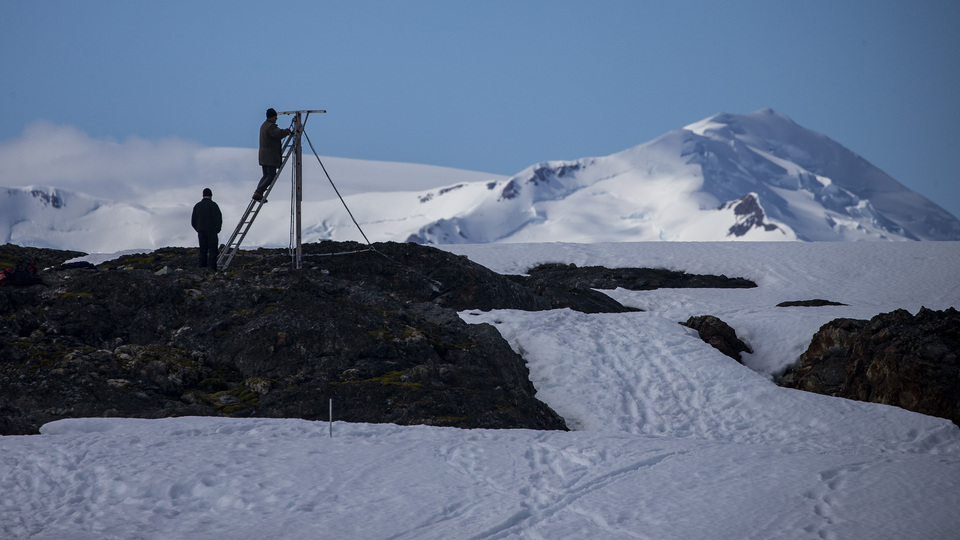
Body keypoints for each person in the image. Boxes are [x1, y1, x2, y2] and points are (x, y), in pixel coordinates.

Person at [253, 108, 293, 201]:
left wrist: (283, 131)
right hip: (270, 156)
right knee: (271, 176)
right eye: (275, 117)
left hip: (263, 156)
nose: (276, 119)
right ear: (273, 117)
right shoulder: (271, 127)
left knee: (265, 175)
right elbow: (277, 134)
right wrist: (286, 132)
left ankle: (258, 192)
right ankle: (259, 192)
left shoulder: (263, 125)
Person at [191, 188, 223, 271]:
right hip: (212, 231)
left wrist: (198, 229)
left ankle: (202, 268)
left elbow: (193, 221)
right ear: (211, 195)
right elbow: (219, 218)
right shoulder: (213, 205)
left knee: (203, 250)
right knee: (213, 250)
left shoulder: (197, 206)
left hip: (201, 232)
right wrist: (218, 229)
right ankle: (212, 268)